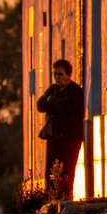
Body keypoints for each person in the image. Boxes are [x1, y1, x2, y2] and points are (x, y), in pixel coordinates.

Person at [36, 59, 85, 200]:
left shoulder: (75, 91)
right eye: (55, 74)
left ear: (68, 75)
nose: (57, 78)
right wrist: (53, 102)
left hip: (70, 138)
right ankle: (51, 199)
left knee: (67, 170)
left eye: (60, 74)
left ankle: (65, 199)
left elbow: (67, 107)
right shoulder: (53, 89)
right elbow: (40, 104)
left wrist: (52, 101)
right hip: (54, 136)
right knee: (51, 171)